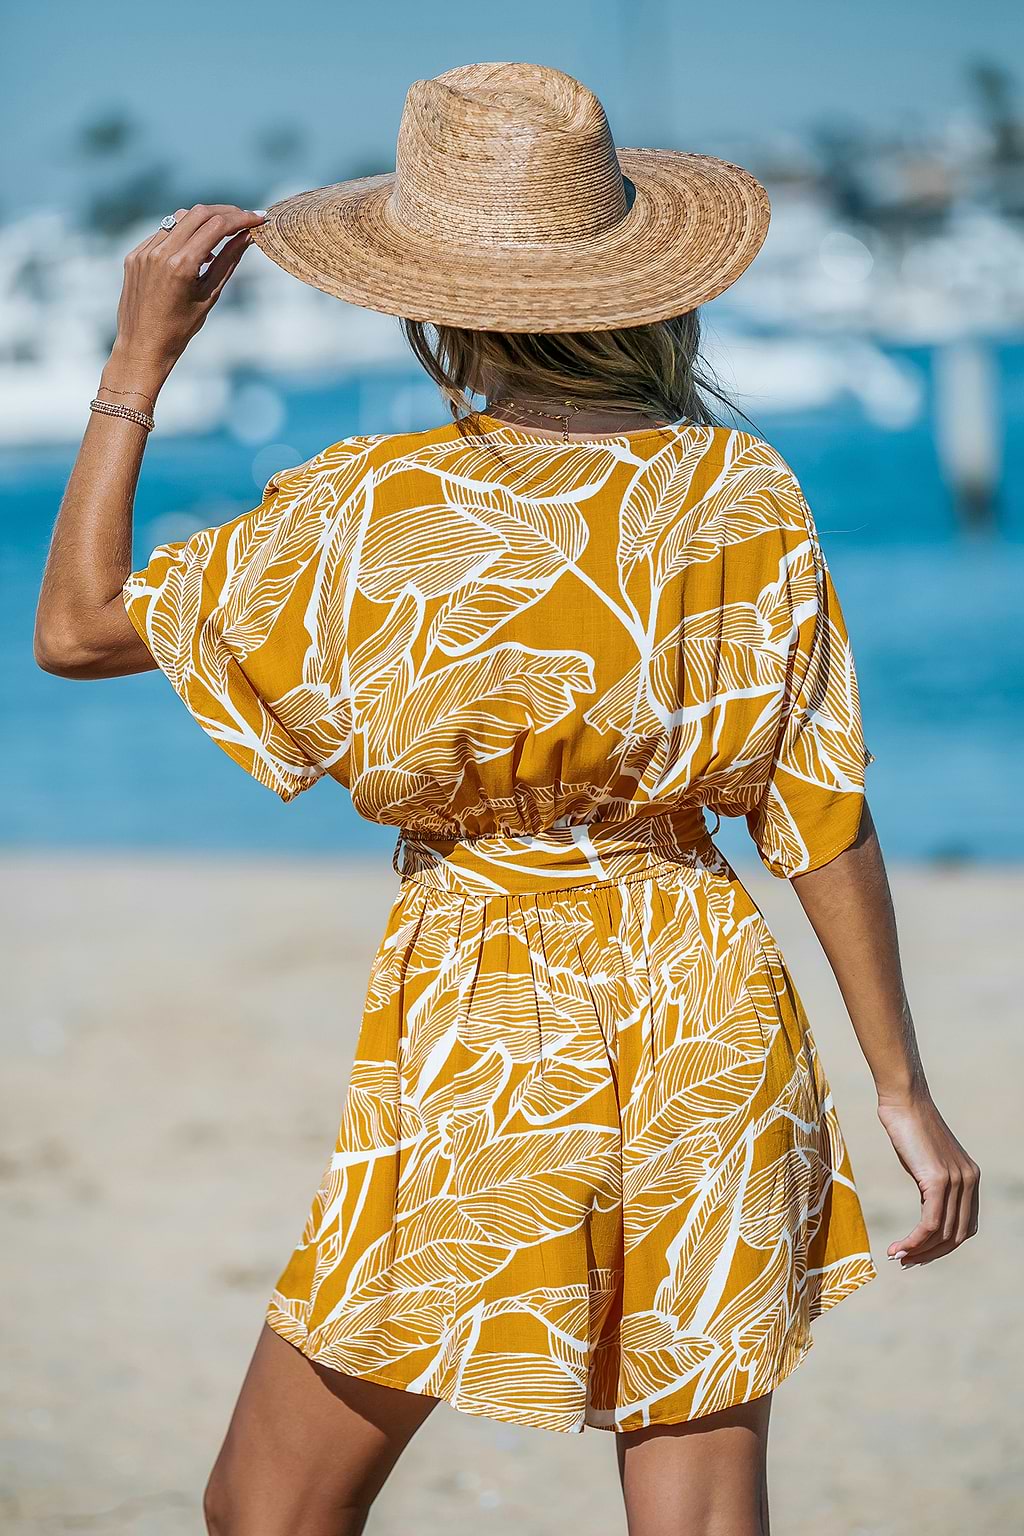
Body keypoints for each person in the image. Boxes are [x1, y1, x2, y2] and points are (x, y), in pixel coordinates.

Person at [35, 60, 979, 1536]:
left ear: (433, 304)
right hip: (708, 999)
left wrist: (138, 366)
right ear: (639, 284)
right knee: (704, 1515)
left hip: (486, 1017)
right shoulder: (746, 491)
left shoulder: (365, 508)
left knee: (267, 1510)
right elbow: (819, 814)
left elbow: (78, 627)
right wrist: (904, 1095)